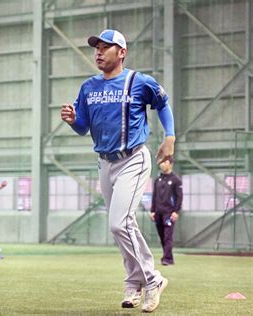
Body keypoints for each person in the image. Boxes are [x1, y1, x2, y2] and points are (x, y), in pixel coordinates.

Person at [60, 29, 175, 313]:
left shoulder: (138, 81)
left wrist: (169, 136)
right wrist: (73, 120)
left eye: (105, 47)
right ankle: (133, 282)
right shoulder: (89, 87)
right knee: (123, 226)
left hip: (133, 160)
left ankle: (152, 279)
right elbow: (83, 128)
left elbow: (163, 104)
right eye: (96, 47)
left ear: (121, 52)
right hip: (105, 163)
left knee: (118, 223)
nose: (98, 51)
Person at [150, 157, 183, 266]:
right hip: (158, 213)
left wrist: (176, 211)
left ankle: (167, 259)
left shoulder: (176, 180)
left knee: (168, 236)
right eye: (161, 162)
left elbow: (179, 197)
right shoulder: (158, 180)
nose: (162, 164)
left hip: (169, 213)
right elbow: (154, 196)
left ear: (171, 164)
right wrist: (152, 211)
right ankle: (169, 257)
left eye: (165, 162)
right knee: (162, 236)